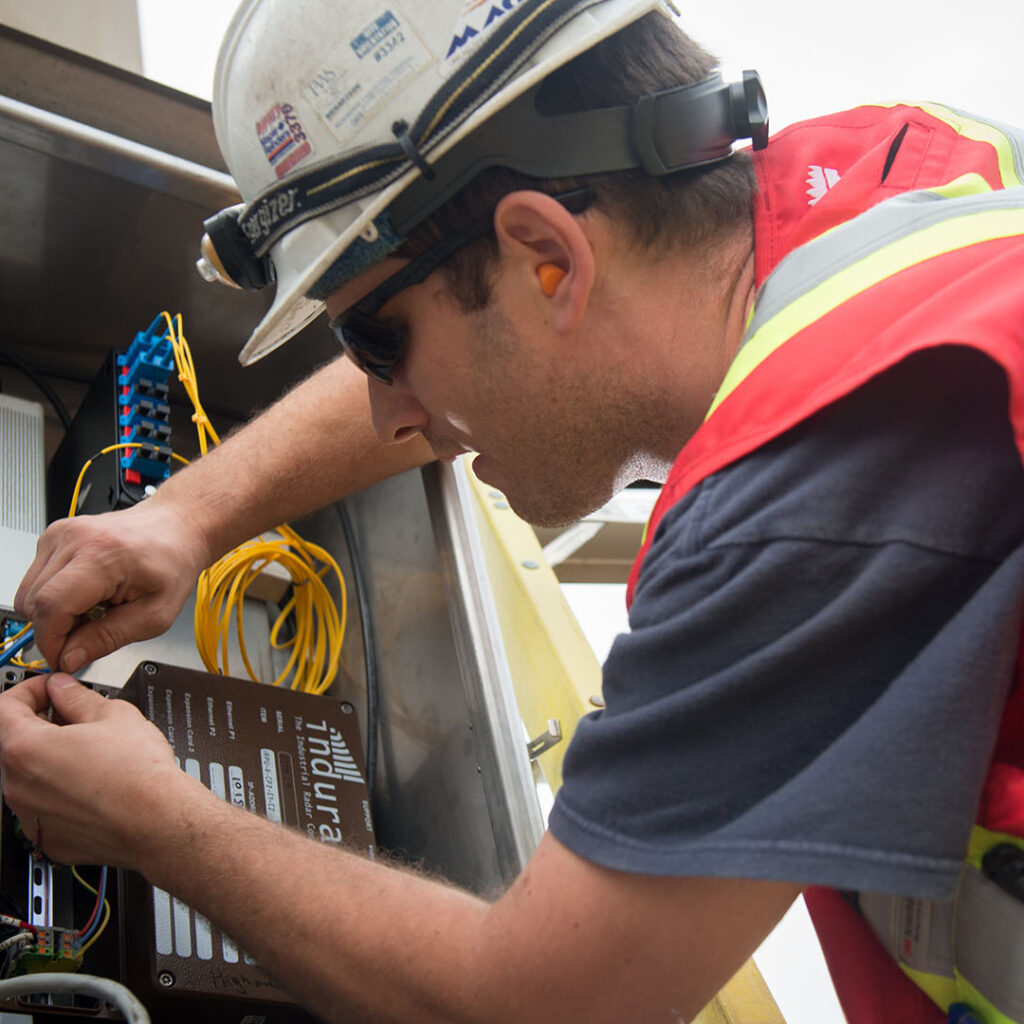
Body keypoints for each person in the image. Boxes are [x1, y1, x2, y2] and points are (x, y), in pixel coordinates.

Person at [3, 1, 1024, 1020]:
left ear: (548, 254)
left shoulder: (810, 486)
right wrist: (190, 513)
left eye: (377, 345)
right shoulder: (909, 172)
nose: (383, 414)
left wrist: (152, 819)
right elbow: (485, 319)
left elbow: (536, 1004)